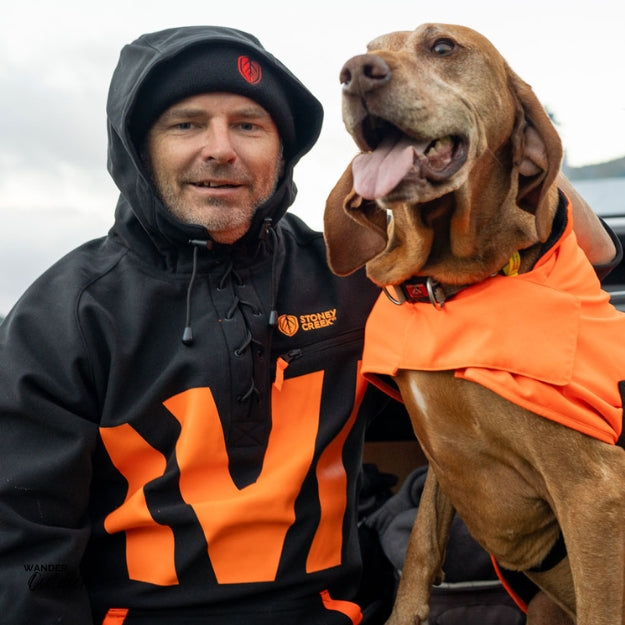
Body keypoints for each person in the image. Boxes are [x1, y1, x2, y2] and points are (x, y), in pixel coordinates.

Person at [0, 25, 618, 625]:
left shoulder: (361, 277)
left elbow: (595, 256)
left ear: (283, 148)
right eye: (185, 124)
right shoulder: (61, 316)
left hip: (338, 613)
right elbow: (25, 547)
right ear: (138, 146)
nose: (220, 148)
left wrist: (489, 123)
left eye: (249, 126)